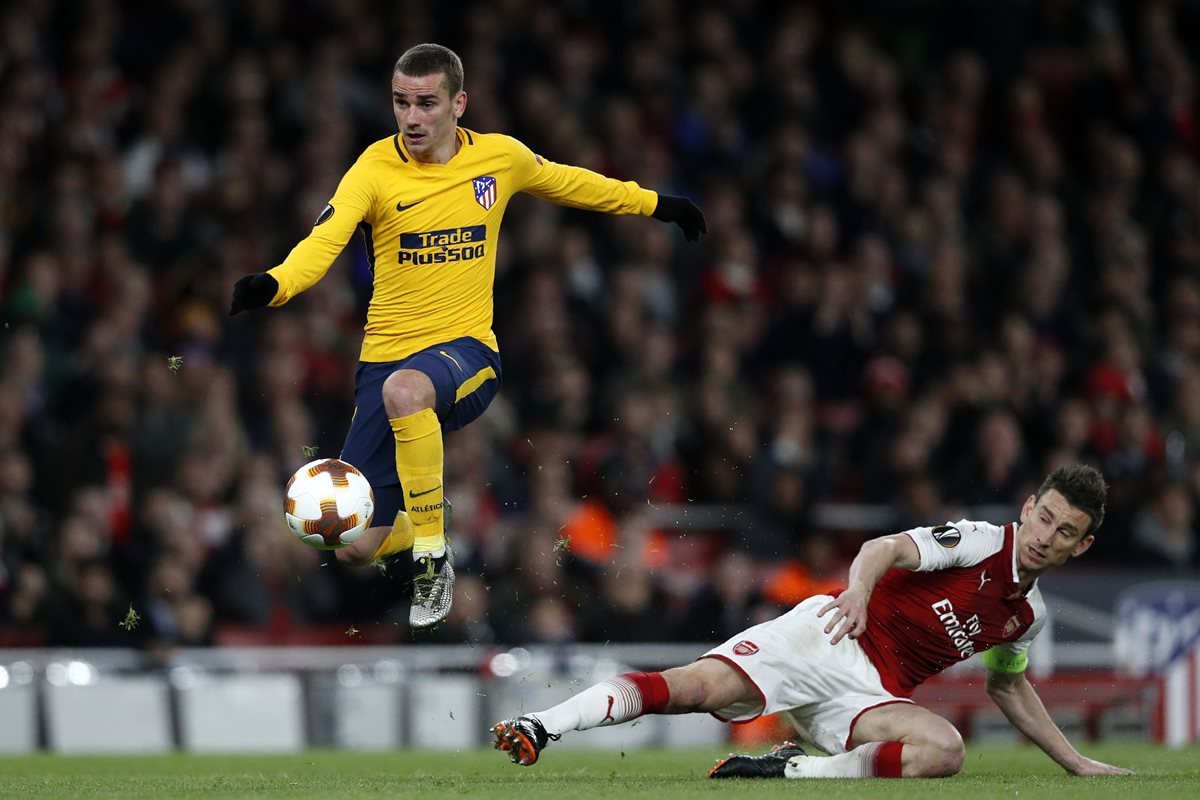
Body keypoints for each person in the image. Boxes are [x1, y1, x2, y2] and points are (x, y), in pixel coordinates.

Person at [228, 44, 706, 628]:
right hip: (383, 368)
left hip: (468, 355)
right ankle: (420, 521)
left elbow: (575, 183)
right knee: (351, 545)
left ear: (459, 103)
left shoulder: (499, 159)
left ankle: (432, 556)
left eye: (426, 103)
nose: (412, 118)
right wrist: (273, 285)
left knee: (407, 392)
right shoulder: (374, 169)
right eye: (401, 103)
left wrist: (658, 204)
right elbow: (321, 244)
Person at [491, 464, 1134, 779]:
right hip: (826, 634)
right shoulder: (975, 540)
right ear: (1031, 506)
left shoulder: (1028, 617)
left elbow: (1008, 685)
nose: (1045, 536)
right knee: (690, 690)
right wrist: (856, 592)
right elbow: (883, 549)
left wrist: (1074, 762)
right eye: (1045, 517)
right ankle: (540, 725)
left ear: (1081, 547)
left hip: (870, 695)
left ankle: (790, 771)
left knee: (945, 751)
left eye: (1065, 531)